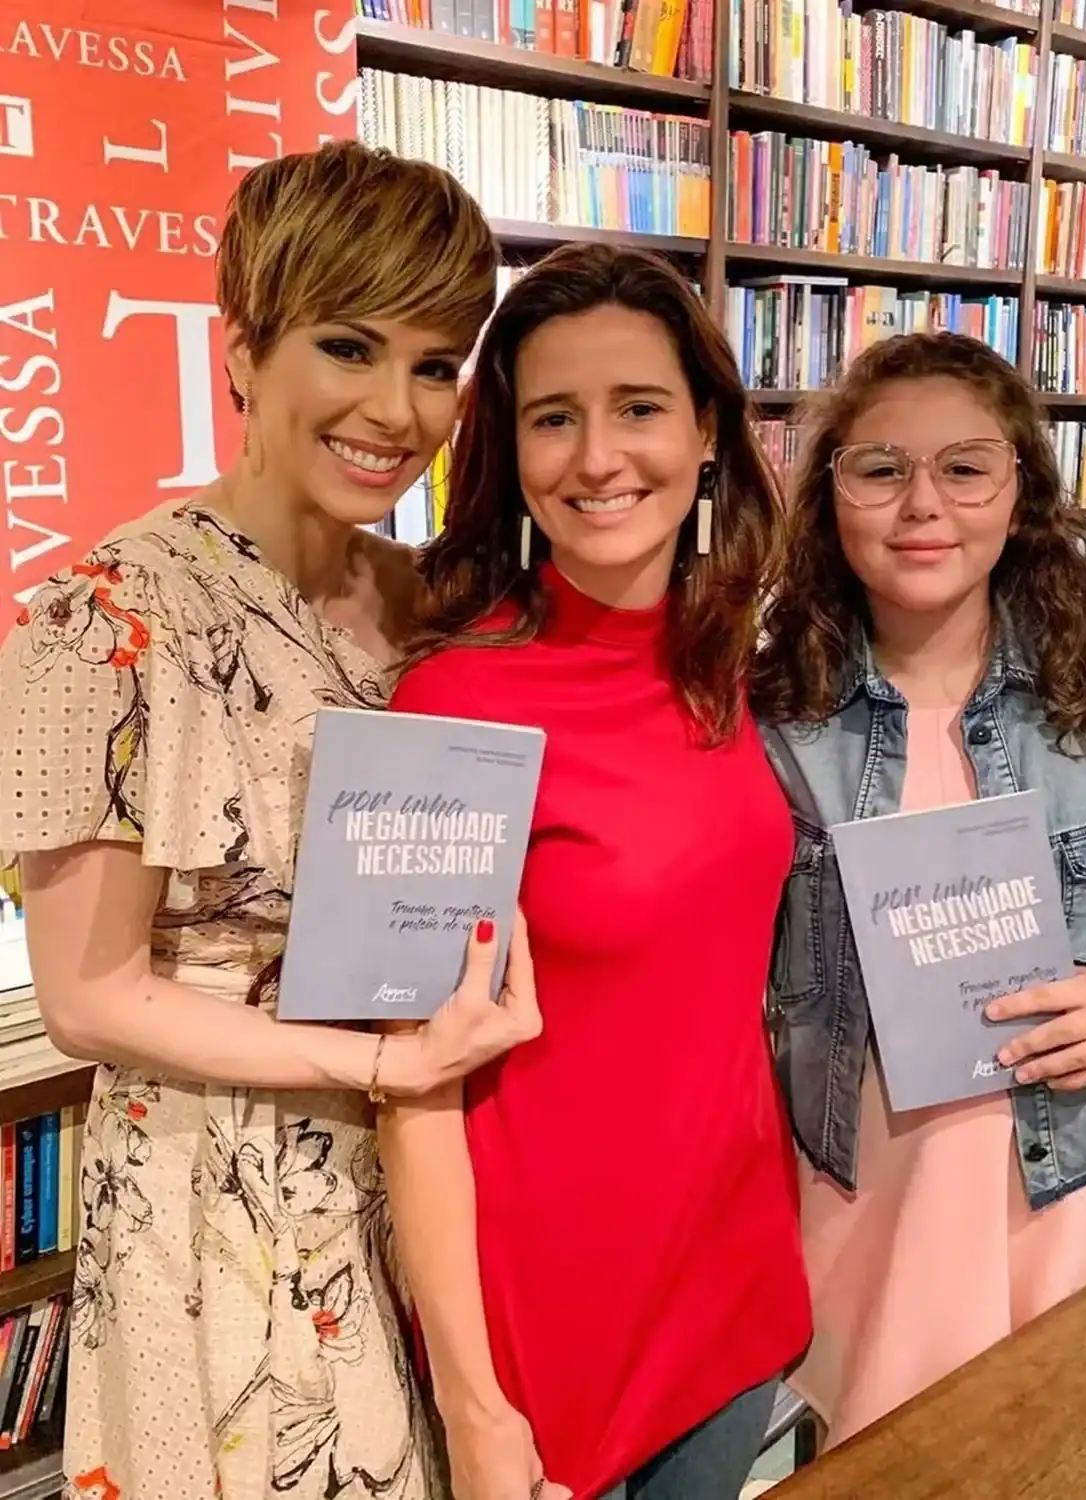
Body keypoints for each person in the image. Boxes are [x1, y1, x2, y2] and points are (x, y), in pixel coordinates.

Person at [0, 141, 545, 1500]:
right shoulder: (103, 621)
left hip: (430, 1171)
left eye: (435, 364)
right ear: (242, 349)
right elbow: (89, 998)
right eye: (348, 347)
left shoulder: (426, 603)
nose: (395, 409)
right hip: (220, 1203)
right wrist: (375, 1070)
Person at [376, 243, 813, 1500]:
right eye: (554, 417)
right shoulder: (451, 703)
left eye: (639, 408)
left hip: (731, 1281)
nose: (598, 456)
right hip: (546, 1329)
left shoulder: (736, 664)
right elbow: (411, 1083)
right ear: (509, 450)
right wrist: (473, 1405)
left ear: (708, 431)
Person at [754, 330, 1086, 1447]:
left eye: (964, 468)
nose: (923, 505)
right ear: (830, 495)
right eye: (880, 468)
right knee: (901, 1456)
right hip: (879, 1195)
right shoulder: (771, 710)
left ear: (1020, 493)